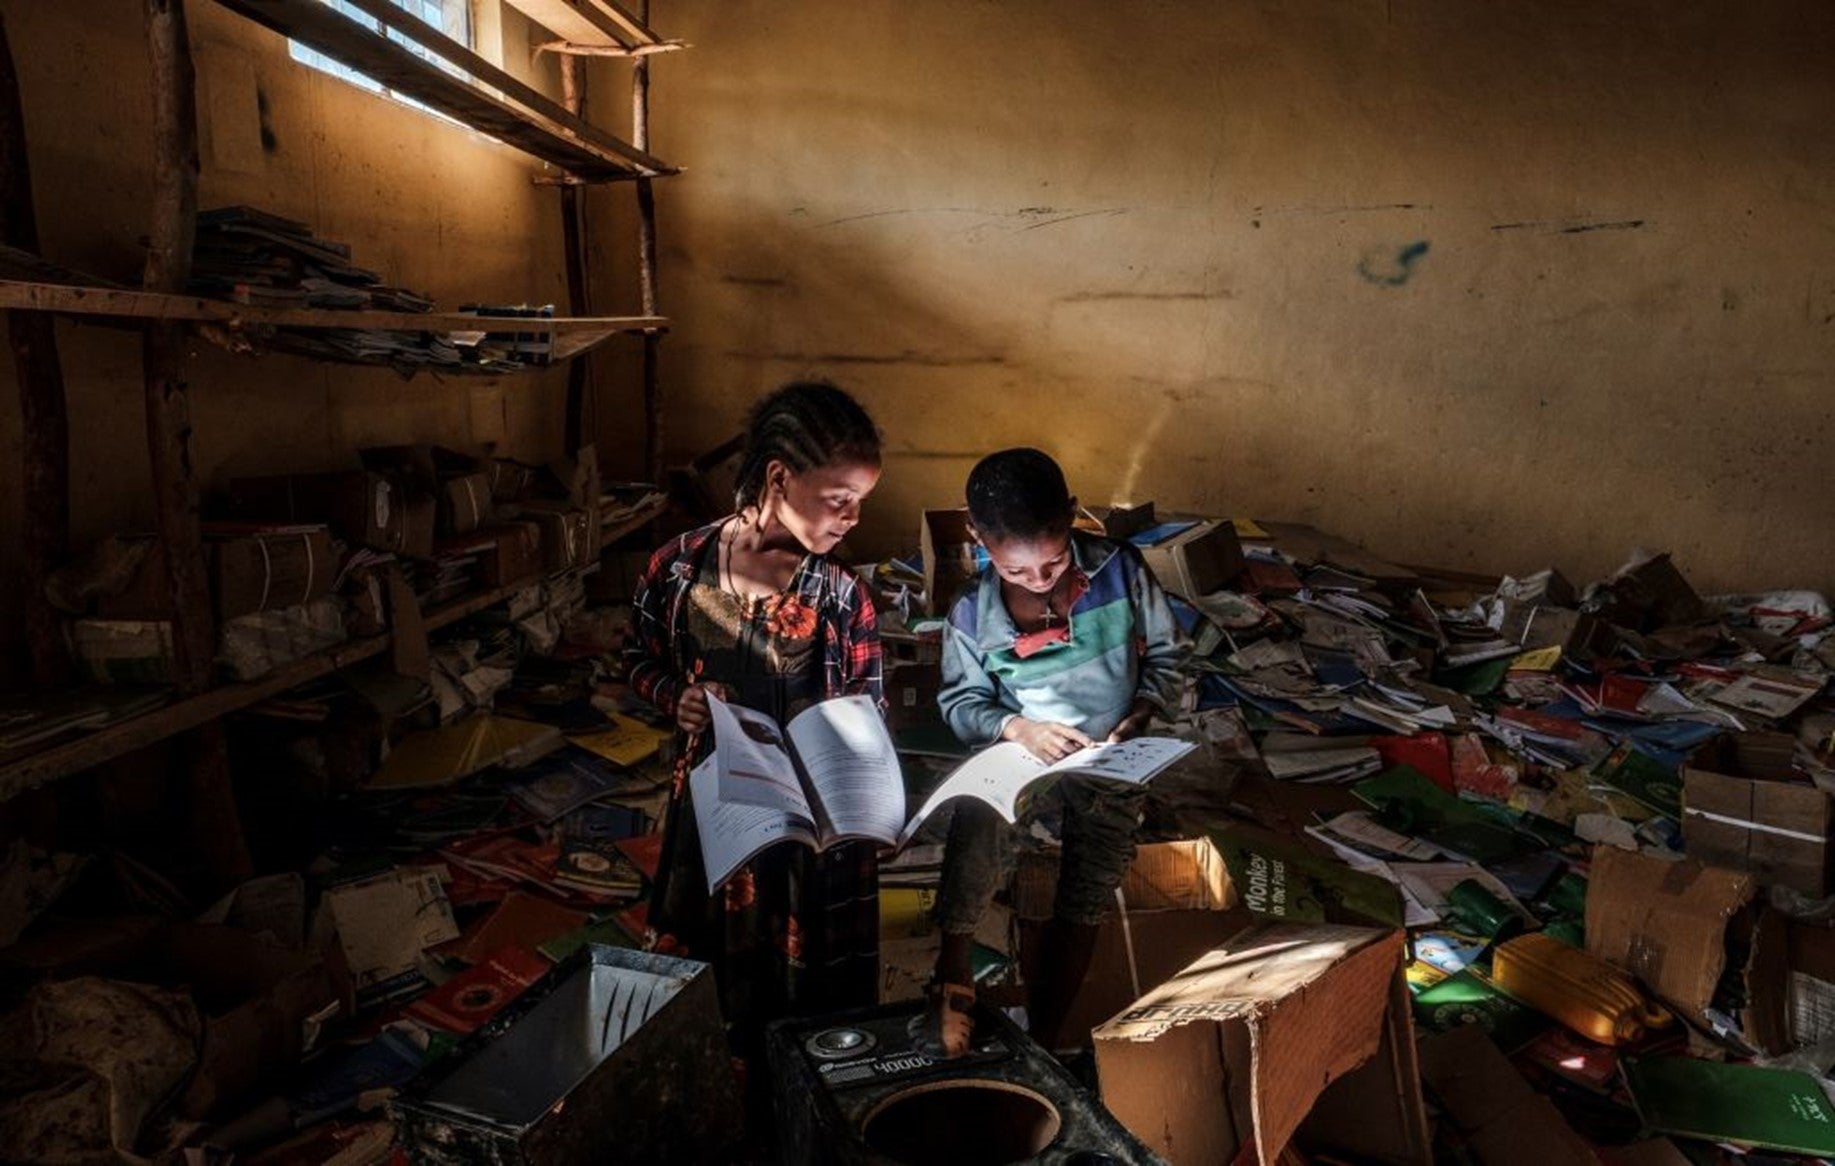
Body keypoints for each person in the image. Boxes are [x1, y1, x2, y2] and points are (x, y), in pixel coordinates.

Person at [626, 381, 885, 1046]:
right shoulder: (676, 569)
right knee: (709, 992)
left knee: (801, 1002)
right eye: (839, 499)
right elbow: (634, 661)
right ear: (778, 477)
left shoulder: (839, 595)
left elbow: (867, 716)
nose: (852, 518)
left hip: (806, 834)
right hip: (710, 820)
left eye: (860, 501)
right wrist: (671, 697)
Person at [927, 448, 1187, 1055]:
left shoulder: (1122, 572)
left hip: (1110, 751)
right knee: (979, 821)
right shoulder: (971, 616)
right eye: (1017, 572)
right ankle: (953, 969)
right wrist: (1017, 728)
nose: (1041, 581)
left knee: (1094, 873)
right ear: (977, 539)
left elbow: (1172, 657)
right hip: (1026, 751)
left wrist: (1143, 710)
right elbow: (961, 704)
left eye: (1053, 561)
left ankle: (1049, 1029)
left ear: (1072, 518)